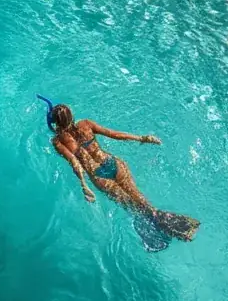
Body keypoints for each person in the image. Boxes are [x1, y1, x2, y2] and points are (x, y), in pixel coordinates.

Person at [39, 96, 199, 251]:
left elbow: (74, 162)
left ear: (55, 123)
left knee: (132, 206)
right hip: (113, 163)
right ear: (71, 115)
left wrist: (84, 184)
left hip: (98, 176)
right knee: (142, 201)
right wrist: (142, 138)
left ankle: (157, 236)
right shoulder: (86, 124)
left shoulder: (58, 141)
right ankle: (176, 225)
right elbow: (114, 134)